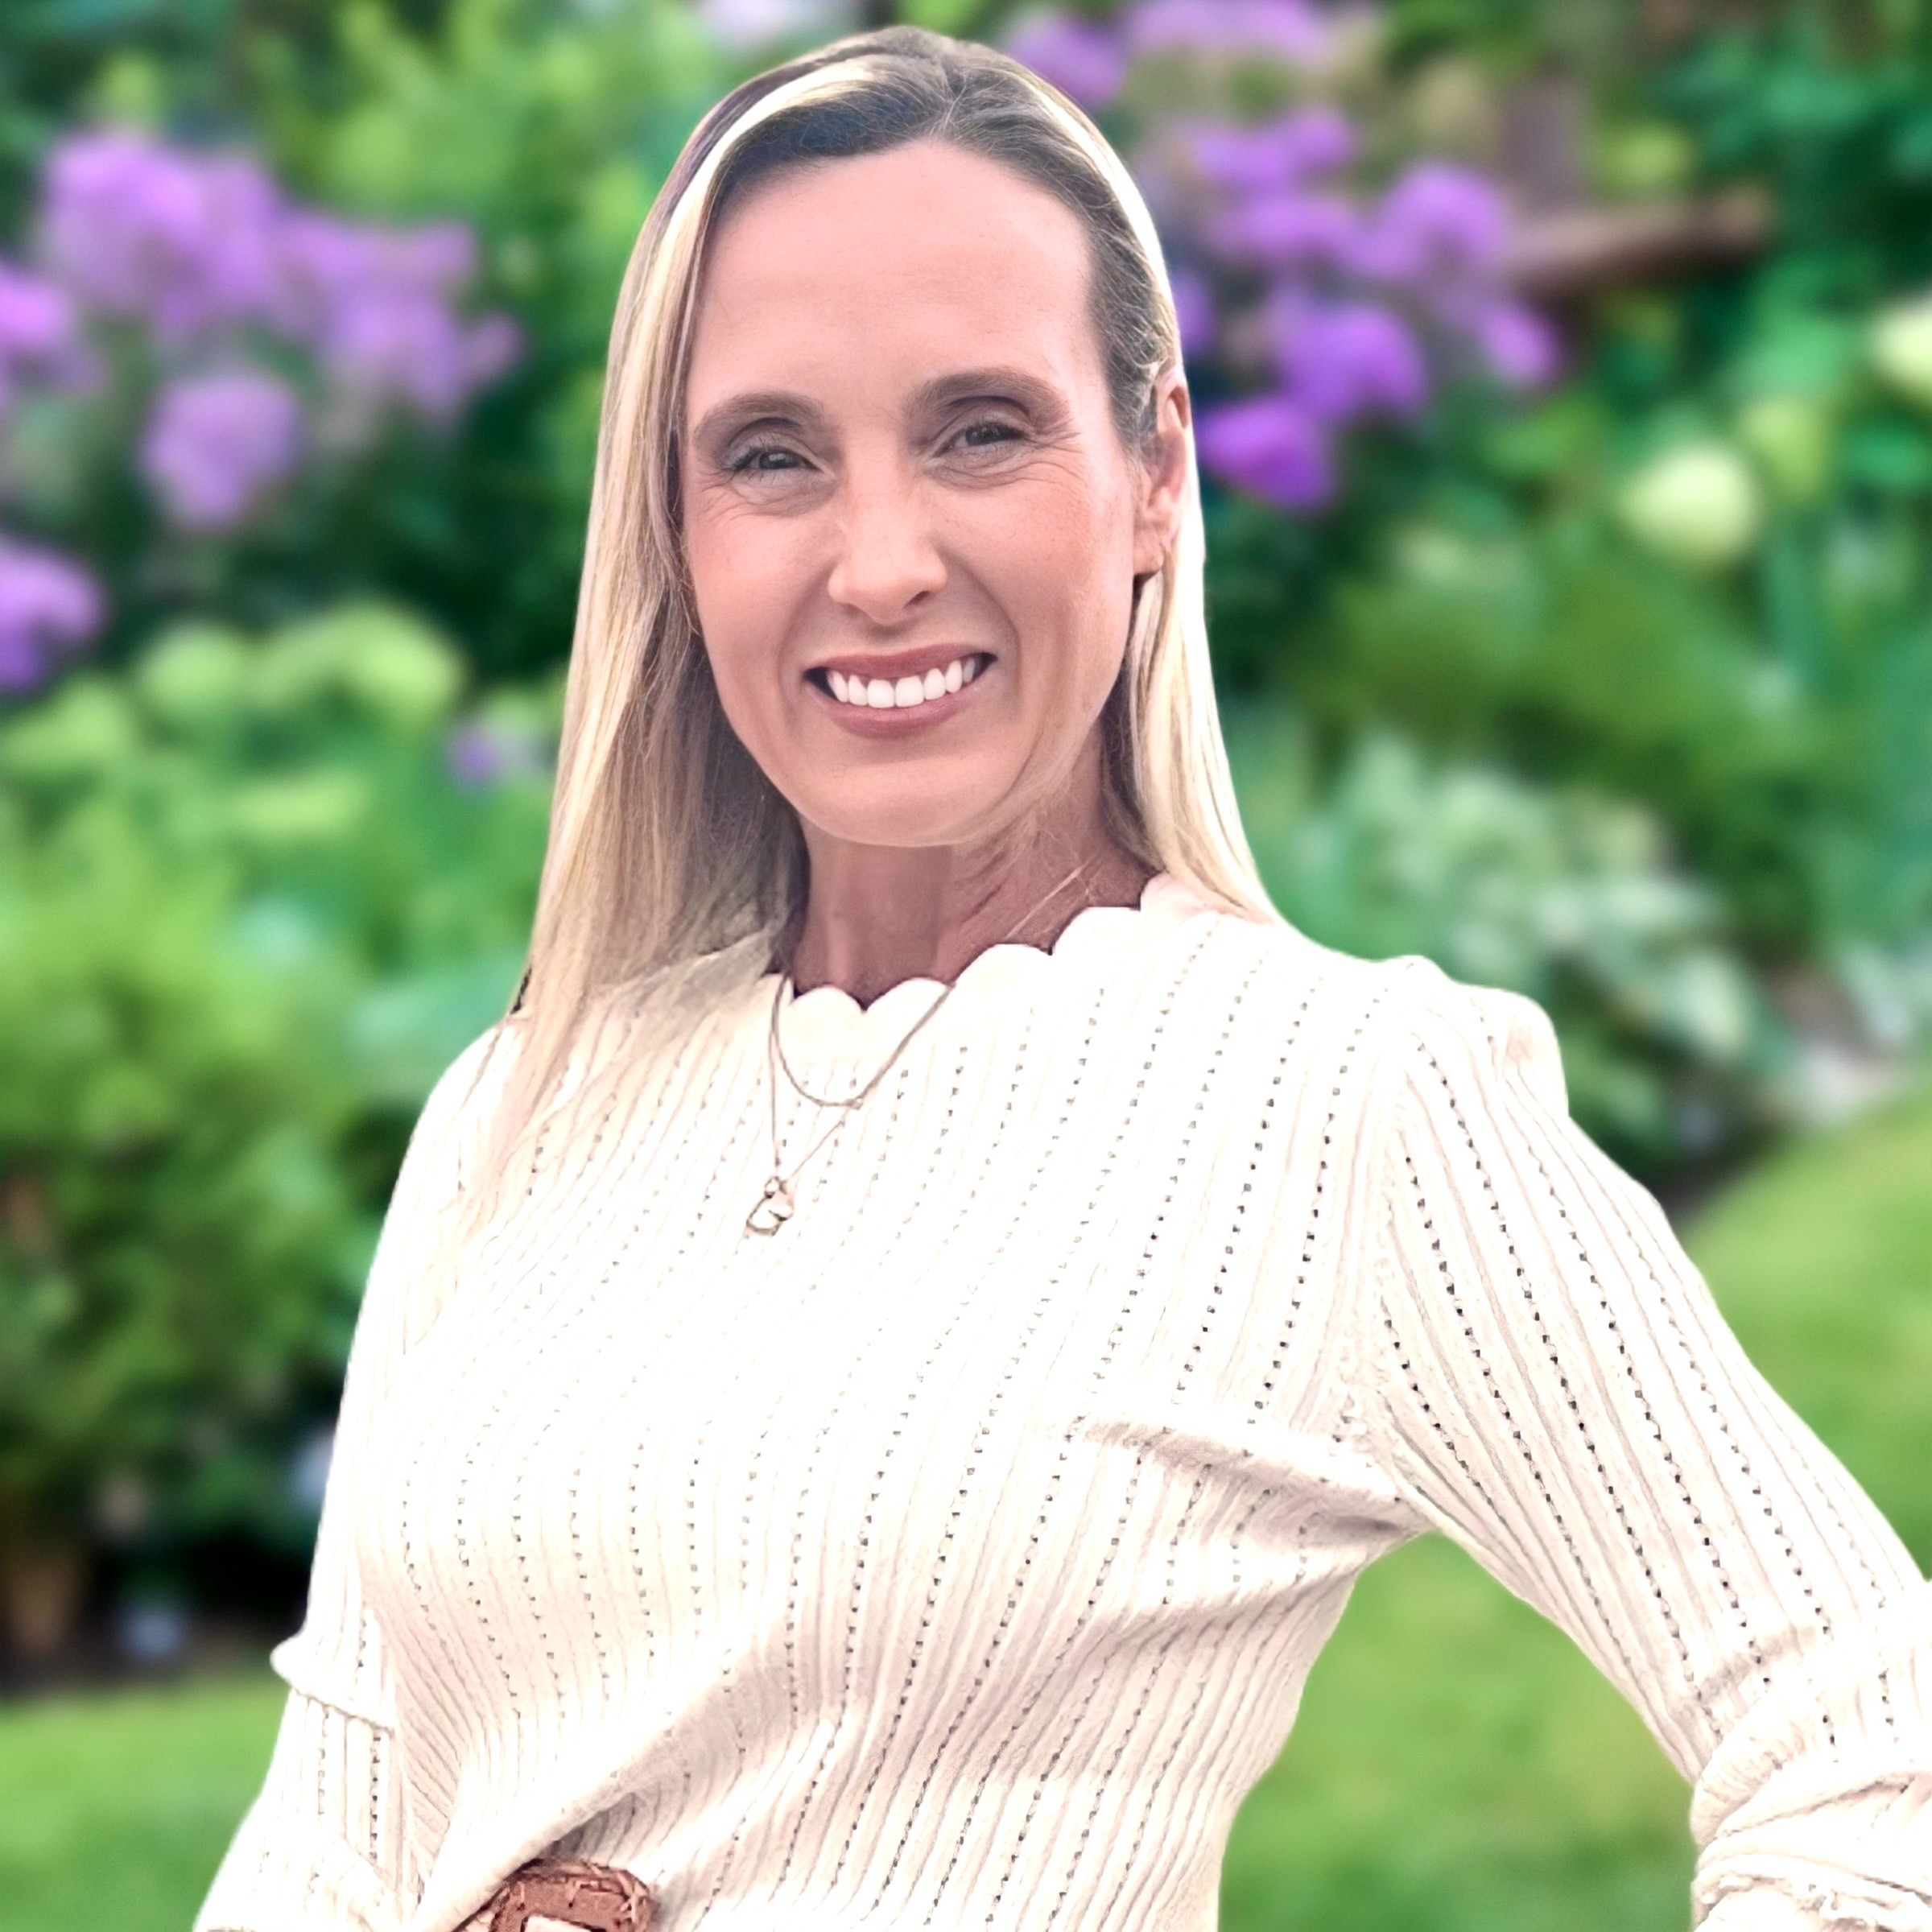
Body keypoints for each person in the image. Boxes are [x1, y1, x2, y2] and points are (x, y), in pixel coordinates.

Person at [192, 25, 1932, 1932]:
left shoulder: (1342, 1103)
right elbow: (331, 1844)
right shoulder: (520, 1108)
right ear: (676, 530)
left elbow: (1873, 1739)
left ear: (1155, 468)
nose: (879, 564)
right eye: (771, 457)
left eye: (981, 431)